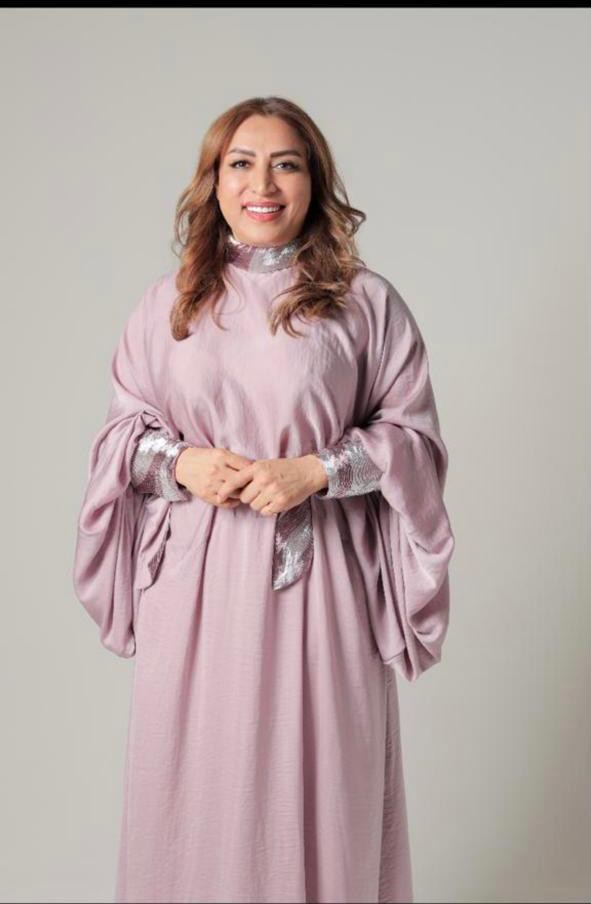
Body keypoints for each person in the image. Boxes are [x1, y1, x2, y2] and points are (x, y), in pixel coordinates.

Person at [72, 95, 455, 904]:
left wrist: (318, 470)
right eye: (241, 164)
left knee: (327, 783)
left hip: (322, 588)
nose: (263, 184)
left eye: (286, 164)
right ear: (212, 181)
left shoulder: (364, 303)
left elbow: (413, 440)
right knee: (195, 788)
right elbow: (119, 440)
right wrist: (181, 463)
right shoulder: (168, 305)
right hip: (197, 593)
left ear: (314, 180)